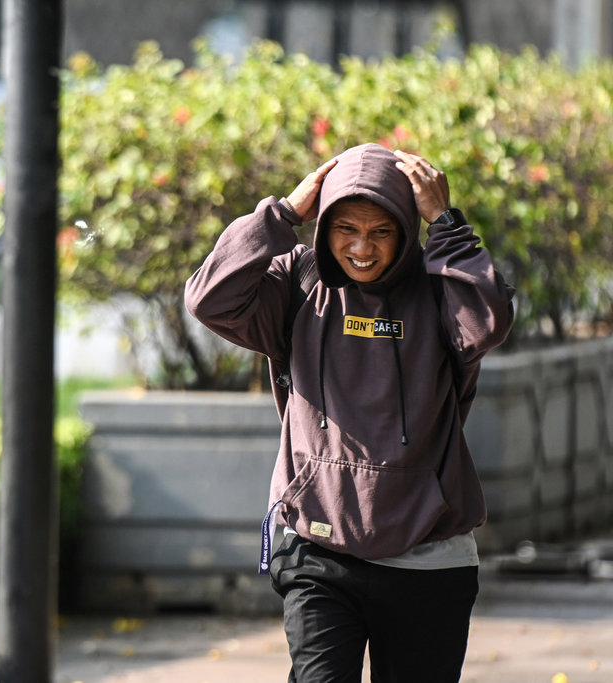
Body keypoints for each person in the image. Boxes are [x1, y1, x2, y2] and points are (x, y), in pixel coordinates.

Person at [185, 143, 515, 682]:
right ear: (324, 226)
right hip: (318, 548)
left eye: (382, 231)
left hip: (429, 554)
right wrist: (281, 215)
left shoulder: (438, 288)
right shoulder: (299, 280)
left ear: (406, 227)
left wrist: (446, 224)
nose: (362, 248)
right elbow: (209, 299)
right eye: (346, 229)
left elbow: (486, 323)